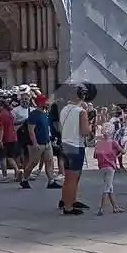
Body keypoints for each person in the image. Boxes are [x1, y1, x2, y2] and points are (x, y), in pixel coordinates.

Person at [57, 85, 92, 215]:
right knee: (73, 178)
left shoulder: (64, 109)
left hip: (65, 144)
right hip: (76, 146)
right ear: (82, 96)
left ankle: (68, 200)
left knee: (69, 177)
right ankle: (68, 206)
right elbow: (85, 131)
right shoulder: (81, 111)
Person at [20, 95, 59, 190]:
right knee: (33, 162)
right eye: (45, 101)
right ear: (41, 103)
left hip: (47, 142)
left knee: (49, 161)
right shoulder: (34, 114)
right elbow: (31, 130)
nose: (47, 103)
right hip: (38, 143)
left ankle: (51, 181)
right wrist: (35, 143)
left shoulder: (45, 113)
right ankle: (24, 179)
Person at [92, 128, 124, 215]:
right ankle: (101, 208)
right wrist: (115, 154)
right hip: (110, 166)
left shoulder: (99, 143)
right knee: (107, 187)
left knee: (109, 186)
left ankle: (115, 207)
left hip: (102, 167)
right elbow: (123, 151)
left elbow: (95, 156)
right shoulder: (113, 142)